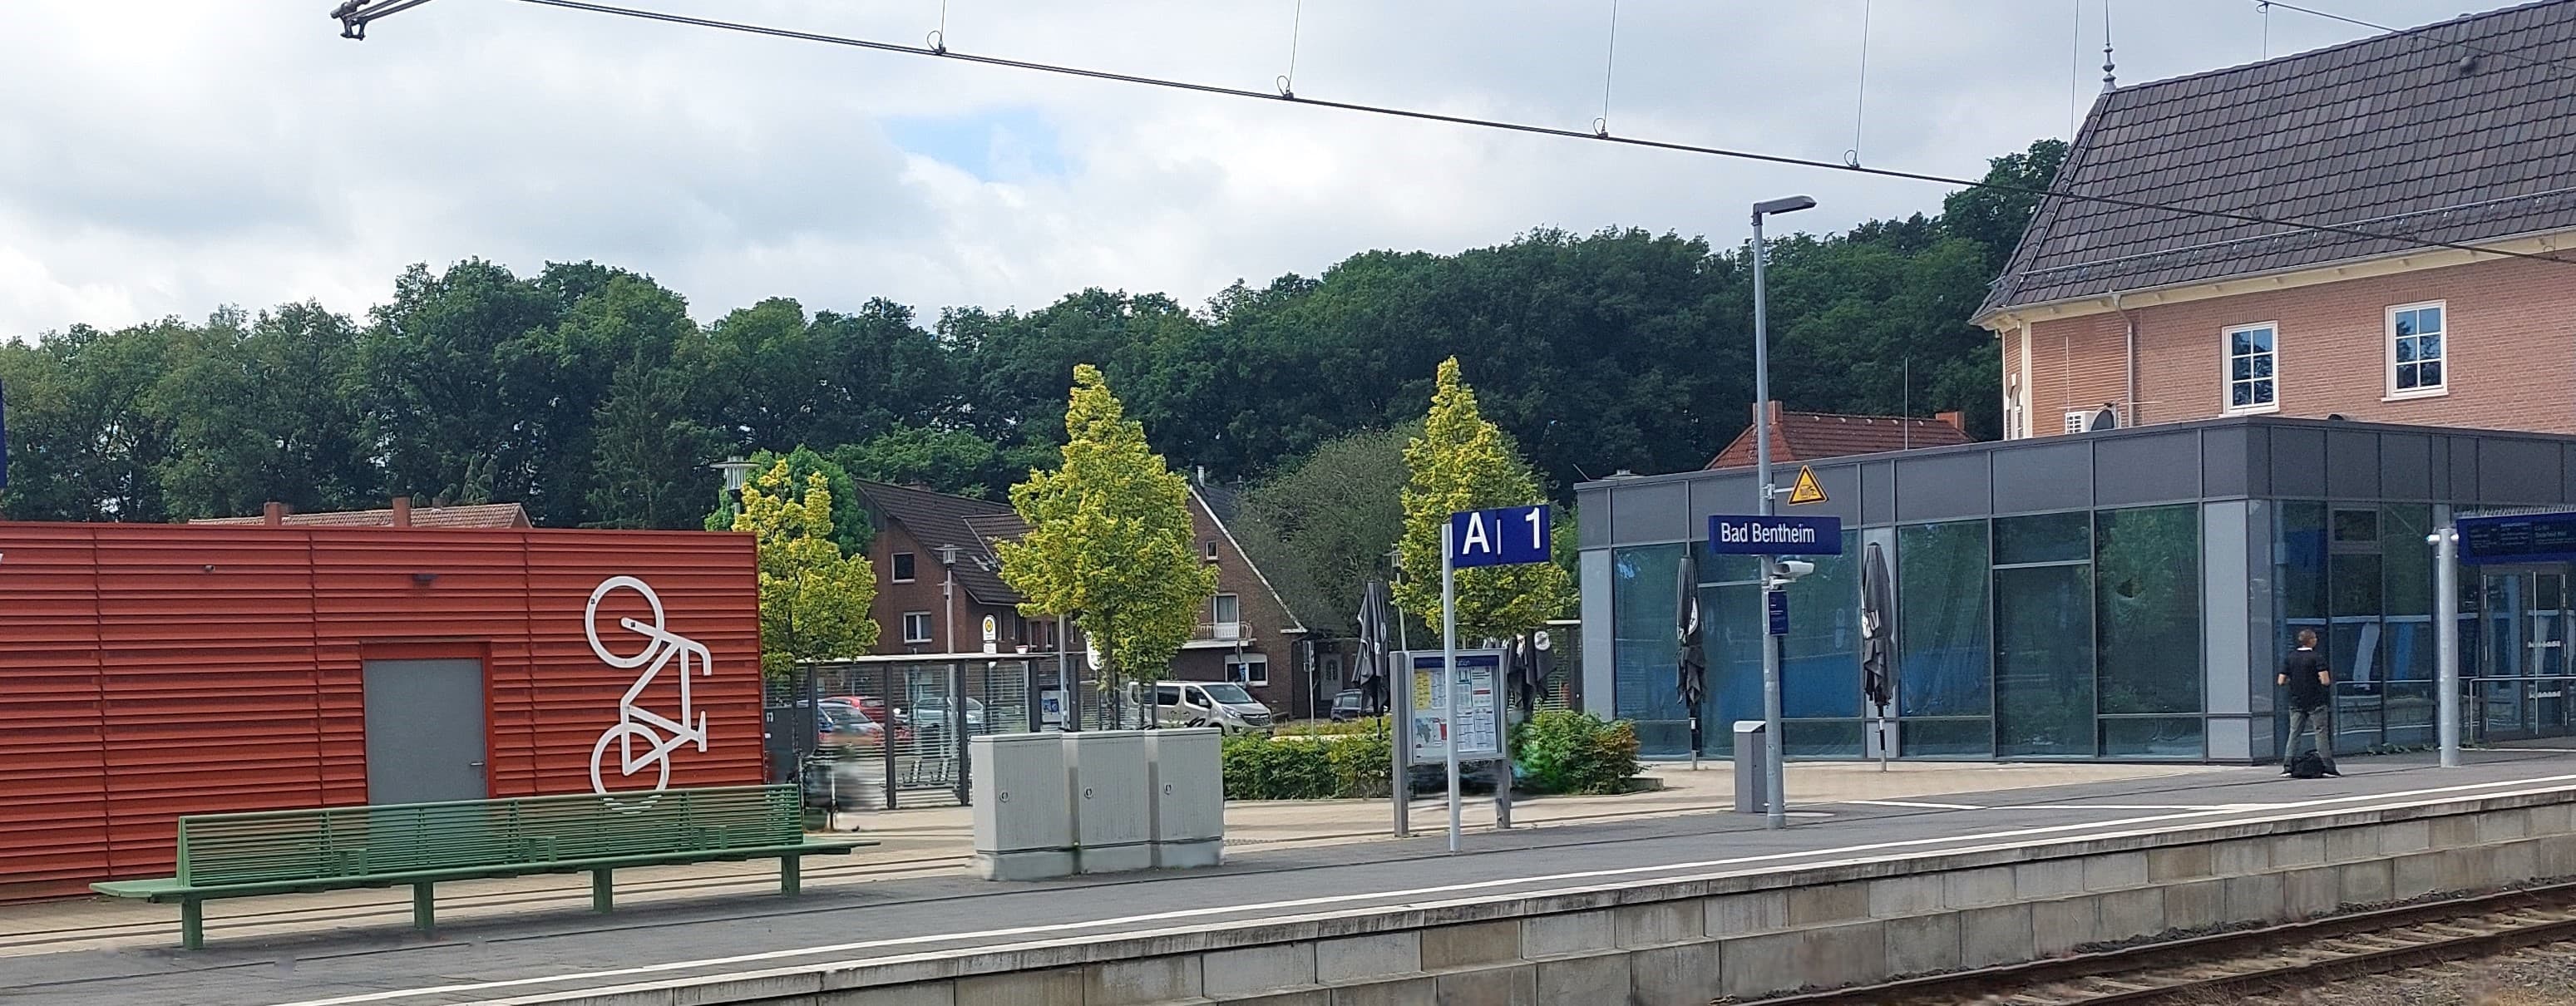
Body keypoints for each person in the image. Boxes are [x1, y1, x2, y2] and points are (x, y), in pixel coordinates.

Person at [2279, 629, 2341, 777]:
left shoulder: (2290, 657)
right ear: (2312, 640)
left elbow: (2281, 681)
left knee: (2294, 733)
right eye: (2315, 638)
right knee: (2320, 732)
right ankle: (2328, 766)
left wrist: (2294, 683)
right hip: (2316, 701)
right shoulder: (2317, 657)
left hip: (2296, 701)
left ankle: (2288, 766)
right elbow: (2325, 681)